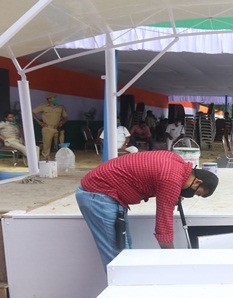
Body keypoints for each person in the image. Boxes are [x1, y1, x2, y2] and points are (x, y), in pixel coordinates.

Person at [75, 151, 219, 270]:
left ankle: (127, 296)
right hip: (99, 195)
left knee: (124, 252)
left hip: (103, 193)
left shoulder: (177, 163)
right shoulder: (172, 180)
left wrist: (174, 193)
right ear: (198, 181)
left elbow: (155, 177)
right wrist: (172, 259)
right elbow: (164, 225)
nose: (191, 195)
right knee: (118, 258)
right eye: (197, 193)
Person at [32, 93, 68, 160]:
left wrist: (62, 122)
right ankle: (46, 159)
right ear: (49, 99)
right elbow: (32, 112)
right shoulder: (43, 106)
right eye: (54, 98)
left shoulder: (60, 107)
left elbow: (65, 117)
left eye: (55, 98)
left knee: (61, 143)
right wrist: (39, 122)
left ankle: (60, 158)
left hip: (58, 128)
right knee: (47, 145)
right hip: (48, 128)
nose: (55, 99)